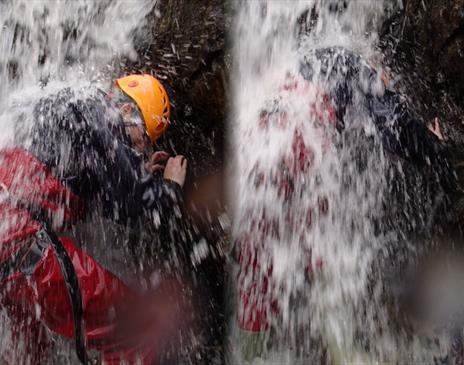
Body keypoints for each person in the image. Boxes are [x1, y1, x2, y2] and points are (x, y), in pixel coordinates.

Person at [234, 47, 458, 361]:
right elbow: (392, 119)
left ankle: (247, 353)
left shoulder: (296, 65)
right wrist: (434, 147)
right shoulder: (352, 65)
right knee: (324, 260)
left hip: (256, 155)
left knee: (257, 275)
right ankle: (341, 351)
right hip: (301, 147)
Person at [0, 74, 189, 364]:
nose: (141, 149)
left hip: (11, 250)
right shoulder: (97, 108)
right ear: (127, 111)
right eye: (145, 138)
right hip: (22, 243)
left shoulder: (65, 103)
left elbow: (101, 191)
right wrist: (169, 188)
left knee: (31, 351)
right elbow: (132, 203)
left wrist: (137, 173)